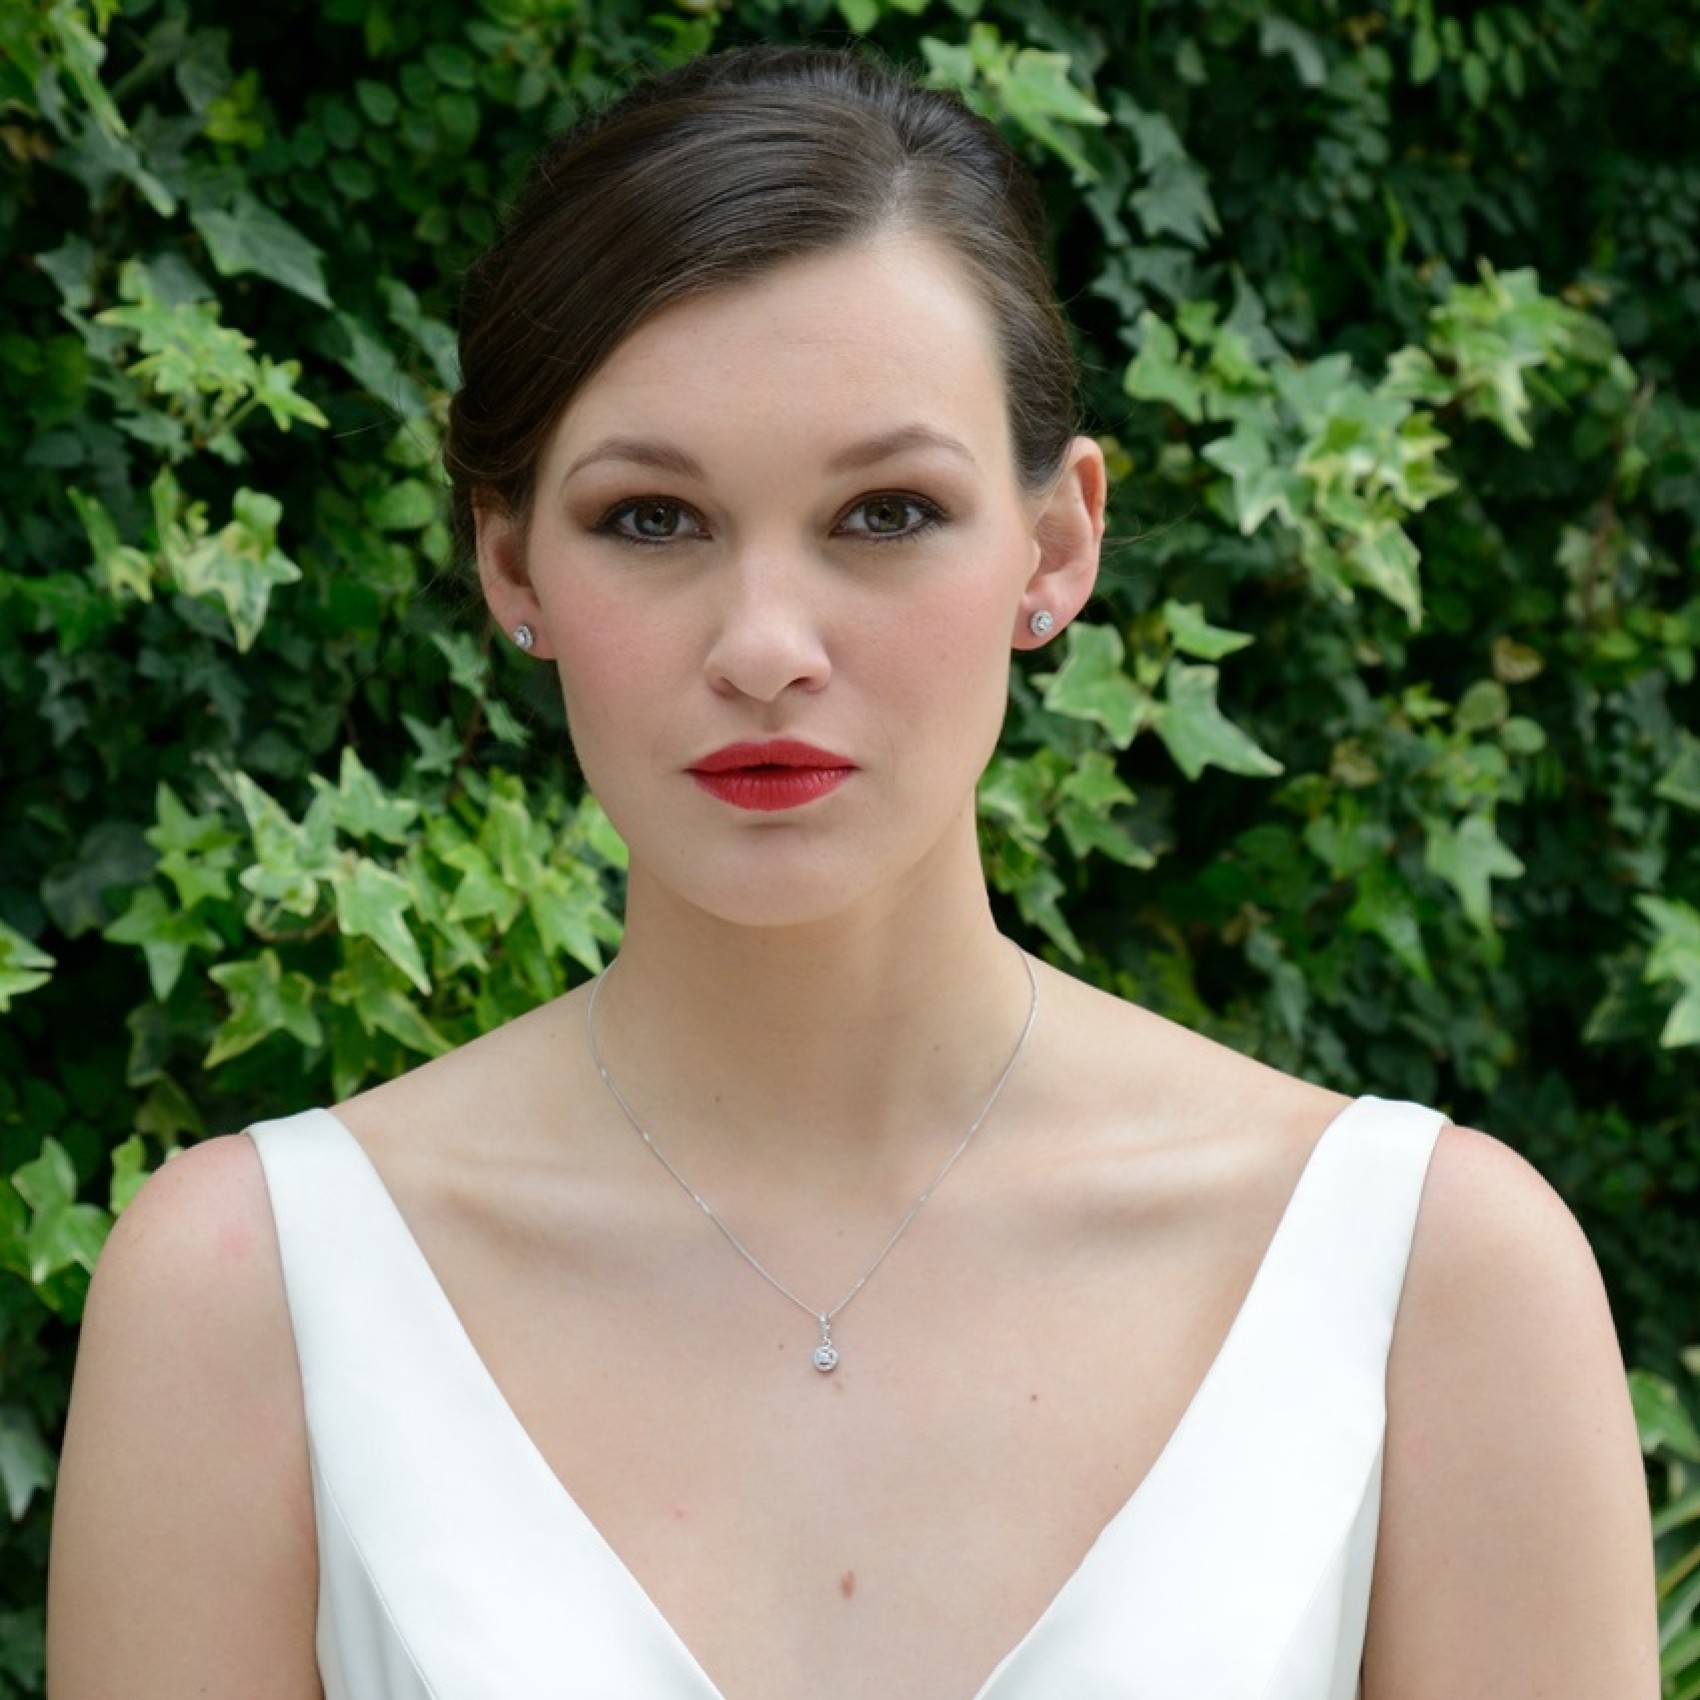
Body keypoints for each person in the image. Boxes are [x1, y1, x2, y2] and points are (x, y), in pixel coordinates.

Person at [46, 43, 1657, 1700]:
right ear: (509, 560)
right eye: (652, 519)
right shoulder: (254, 1297)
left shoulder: (1429, 1284)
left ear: (1057, 544)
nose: (765, 648)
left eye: (884, 513)